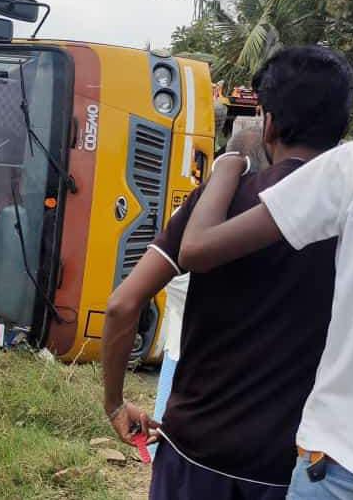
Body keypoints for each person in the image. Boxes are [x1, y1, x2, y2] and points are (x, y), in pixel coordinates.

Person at [101, 45, 350, 500]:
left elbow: (122, 305)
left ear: (268, 123)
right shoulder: (349, 220)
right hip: (292, 463)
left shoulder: (218, 205)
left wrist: (115, 402)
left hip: (195, 450)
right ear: (342, 129)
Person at [178, 61, 353, 497]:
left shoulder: (350, 173)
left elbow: (194, 251)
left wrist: (222, 173)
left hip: (339, 462)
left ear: (270, 123)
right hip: (279, 458)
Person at [146, 127, 264, 459]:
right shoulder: (261, 224)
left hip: (180, 345)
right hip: (227, 363)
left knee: (170, 435)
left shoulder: (188, 215)